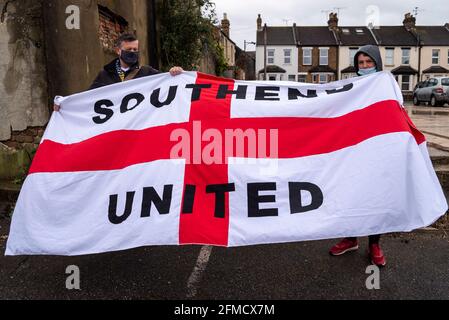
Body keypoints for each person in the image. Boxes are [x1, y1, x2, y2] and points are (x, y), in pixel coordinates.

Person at [329, 45, 386, 267]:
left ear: (377, 63)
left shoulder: (386, 85)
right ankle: (351, 238)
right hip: (354, 150)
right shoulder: (352, 87)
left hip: (379, 150)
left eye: (368, 62)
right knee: (352, 195)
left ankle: (374, 244)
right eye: (360, 63)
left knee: (377, 198)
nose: (364, 67)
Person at [54, 33, 183, 111]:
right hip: (116, 133)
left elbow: (168, 84)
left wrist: (176, 73)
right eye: (129, 49)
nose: (132, 52)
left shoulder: (147, 72)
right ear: (118, 51)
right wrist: (65, 104)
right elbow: (87, 98)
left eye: (135, 49)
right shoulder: (105, 74)